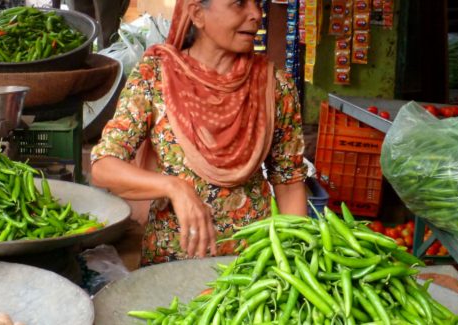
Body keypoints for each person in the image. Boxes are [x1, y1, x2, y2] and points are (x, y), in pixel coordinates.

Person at [91, 0, 308, 266]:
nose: (255, 14)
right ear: (197, 14)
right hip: (171, 264)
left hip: (251, 266)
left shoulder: (274, 87)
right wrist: (173, 187)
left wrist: (294, 258)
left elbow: (288, 182)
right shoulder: (156, 77)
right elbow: (104, 167)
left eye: (257, 3)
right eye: (239, 4)